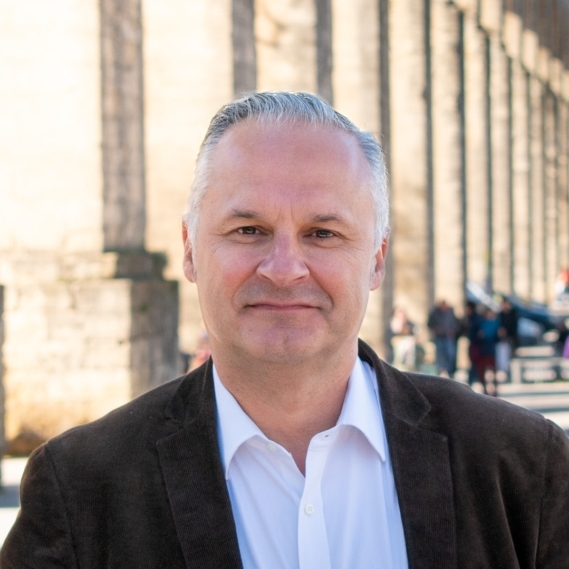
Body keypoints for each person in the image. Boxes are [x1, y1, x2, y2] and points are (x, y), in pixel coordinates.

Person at [3, 92, 569, 568]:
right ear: (190, 250)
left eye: (323, 234)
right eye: (248, 229)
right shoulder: (81, 487)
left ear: (376, 260)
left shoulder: (522, 467)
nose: (283, 268)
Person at [427, 300, 460, 377]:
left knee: (450, 354)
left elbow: (455, 324)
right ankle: (441, 370)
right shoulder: (435, 314)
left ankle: (449, 370)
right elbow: (430, 323)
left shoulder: (450, 313)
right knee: (440, 354)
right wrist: (435, 329)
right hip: (439, 337)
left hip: (448, 337)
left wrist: (453, 331)